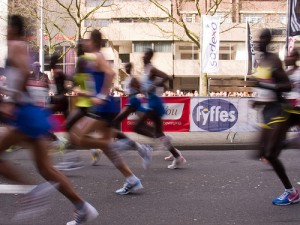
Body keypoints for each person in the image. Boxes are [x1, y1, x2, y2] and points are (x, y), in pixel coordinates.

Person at [0, 15, 98, 224]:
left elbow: (24, 72)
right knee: (45, 168)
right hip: (29, 112)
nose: (5, 31)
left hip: (24, 112)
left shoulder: (15, 45)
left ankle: (33, 193)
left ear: (13, 29)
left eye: (7, 27)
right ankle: (83, 208)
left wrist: (12, 99)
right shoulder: (19, 45)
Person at [69, 29, 143, 195]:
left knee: (77, 137)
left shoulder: (97, 56)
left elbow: (111, 73)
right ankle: (132, 179)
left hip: (103, 108)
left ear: (94, 42)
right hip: (106, 107)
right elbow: (97, 85)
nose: (85, 43)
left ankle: (117, 144)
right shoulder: (93, 59)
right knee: (109, 151)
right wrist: (85, 93)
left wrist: (101, 95)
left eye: (88, 40)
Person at [251, 28, 299, 206]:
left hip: (279, 111)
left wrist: (265, 85)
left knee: (270, 154)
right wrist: (257, 99)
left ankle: (291, 192)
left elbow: (286, 86)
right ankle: (285, 144)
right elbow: (262, 86)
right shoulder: (261, 61)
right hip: (266, 112)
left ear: (269, 41)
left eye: (264, 38)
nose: (260, 41)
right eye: (259, 38)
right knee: (261, 153)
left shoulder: (274, 60)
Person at [134, 48, 186, 169]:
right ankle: (177, 157)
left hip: (153, 103)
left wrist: (153, 86)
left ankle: (150, 145)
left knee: (137, 127)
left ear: (150, 56)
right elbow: (158, 85)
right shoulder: (146, 70)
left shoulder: (151, 68)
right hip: (152, 101)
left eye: (146, 55)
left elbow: (166, 77)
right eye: (143, 55)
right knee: (159, 133)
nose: (143, 57)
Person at [112, 62, 153, 169]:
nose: (127, 69)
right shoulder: (127, 79)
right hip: (131, 100)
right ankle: (146, 147)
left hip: (133, 100)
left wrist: (140, 93)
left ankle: (122, 142)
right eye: (126, 67)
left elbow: (140, 89)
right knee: (140, 125)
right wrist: (119, 90)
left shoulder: (133, 78)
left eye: (128, 67)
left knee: (116, 121)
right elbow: (128, 91)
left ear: (131, 67)